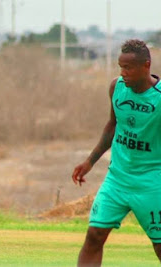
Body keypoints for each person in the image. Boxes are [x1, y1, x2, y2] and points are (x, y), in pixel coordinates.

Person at [72, 39, 161, 266]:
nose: (123, 73)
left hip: (151, 182)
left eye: (128, 68)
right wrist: (90, 162)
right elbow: (112, 125)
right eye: (120, 67)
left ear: (146, 65)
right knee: (94, 236)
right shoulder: (116, 87)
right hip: (117, 179)